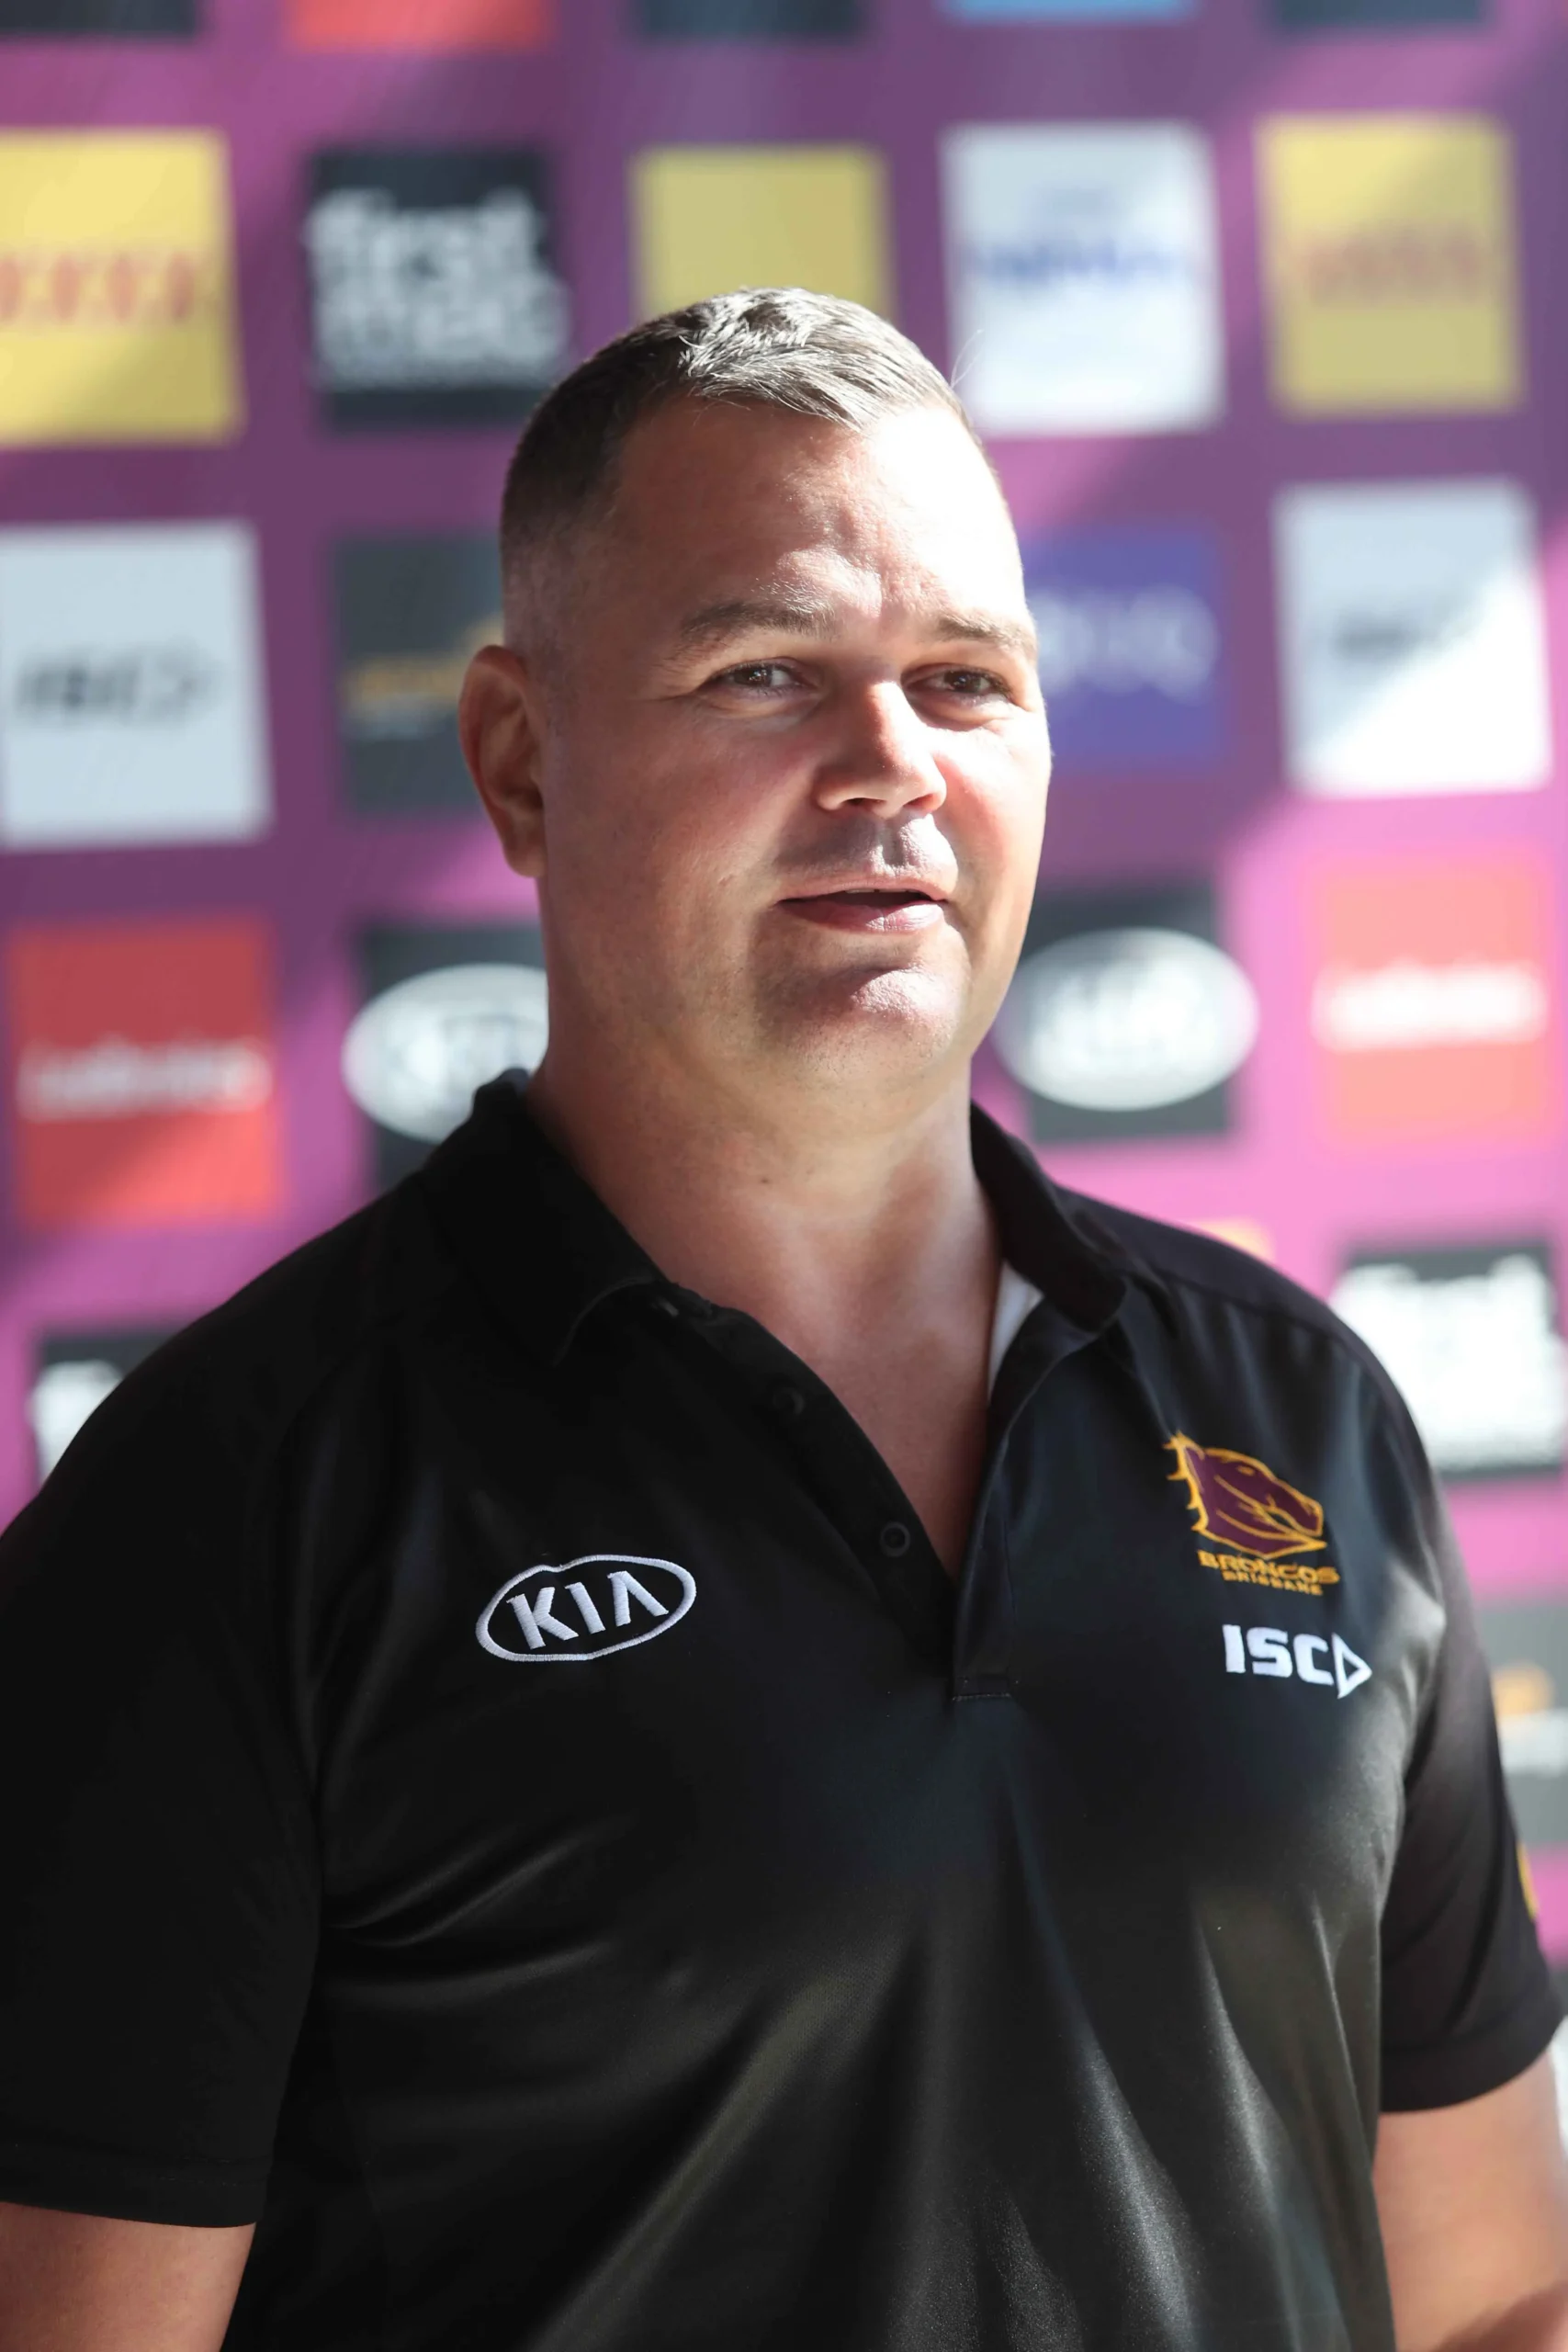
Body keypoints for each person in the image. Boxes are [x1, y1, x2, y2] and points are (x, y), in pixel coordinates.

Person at [0, 289, 1563, 2352]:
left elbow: (1491, 2290)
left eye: (965, 680)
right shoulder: (233, 1497)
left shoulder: (1298, 1408)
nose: (890, 762)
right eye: (765, 674)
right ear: (519, 758)